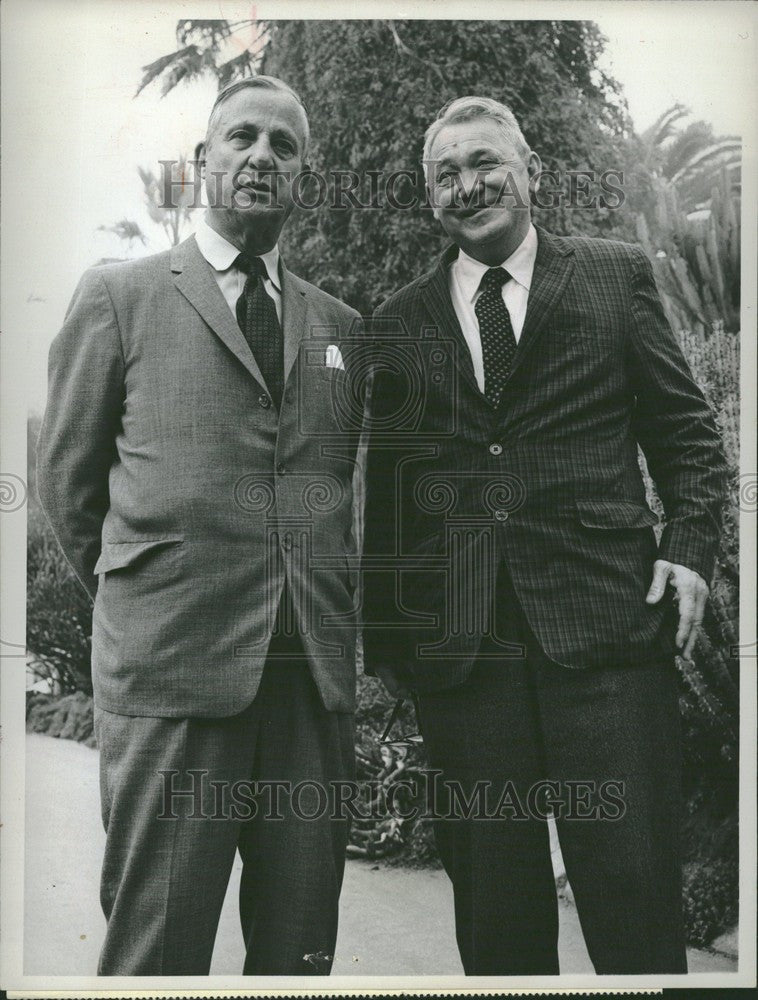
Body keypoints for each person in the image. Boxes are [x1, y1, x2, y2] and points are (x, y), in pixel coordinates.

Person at [361, 96, 727, 975]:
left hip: (605, 638)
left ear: (532, 172)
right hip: (465, 657)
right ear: (429, 196)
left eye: (485, 162)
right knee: (496, 916)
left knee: (634, 898)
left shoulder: (612, 275)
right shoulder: (399, 321)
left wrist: (689, 550)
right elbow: (394, 495)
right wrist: (394, 646)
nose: (468, 185)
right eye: (445, 175)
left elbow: (688, 440)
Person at [37, 76, 361, 976]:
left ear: (304, 175)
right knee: (158, 953)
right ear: (203, 162)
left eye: (283, 146)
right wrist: (150, 598)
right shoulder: (120, 296)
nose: (262, 157)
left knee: (299, 955)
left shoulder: (340, 327)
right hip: (174, 676)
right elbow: (69, 490)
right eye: (242, 138)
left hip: (309, 686)